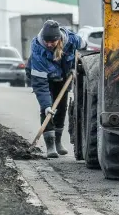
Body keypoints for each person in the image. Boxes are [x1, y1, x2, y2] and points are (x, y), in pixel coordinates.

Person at [30, 20, 83, 158]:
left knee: (62, 108)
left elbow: (84, 46)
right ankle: (50, 145)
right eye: (46, 41)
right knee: (47, 109)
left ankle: (58, 141)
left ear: (59, 39)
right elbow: (40, 83)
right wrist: (46, 105)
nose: (49, 44)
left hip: (63, 77)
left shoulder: (71, 40)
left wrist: (75, 65)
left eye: (52, 41)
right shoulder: (38, 50)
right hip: (44, 79)